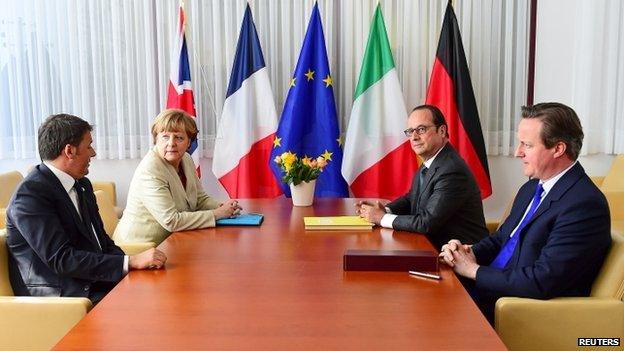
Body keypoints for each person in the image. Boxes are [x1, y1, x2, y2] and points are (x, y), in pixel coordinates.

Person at [439, 102, 611, 322]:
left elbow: (542, 280)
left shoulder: (584, 205)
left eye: (527, 145)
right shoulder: (532, 187)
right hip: (487, 289)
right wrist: (468, 253)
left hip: (517, 310)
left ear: (558, 149)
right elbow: (503, 239)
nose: (517, 152)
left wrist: (473, 270)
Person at [6, 114, 167, 304]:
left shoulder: (82, 184)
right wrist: (129, 262)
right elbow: (61, 259)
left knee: (160, 289)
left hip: (90, 280)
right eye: (89, 145)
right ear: (69, 151)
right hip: (62, 295)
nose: (93, 153)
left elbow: (102, 243)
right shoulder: (30, 195)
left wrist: (131, 264)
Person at [356, 105, 488, 250]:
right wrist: (385, 210)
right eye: (410, 131)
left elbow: (426, 223)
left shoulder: (452, 170)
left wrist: (381, 218)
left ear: (442, 131)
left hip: (460, 256)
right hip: (432, 247)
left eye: (421, 129)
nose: (414, 137)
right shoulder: (432, 162)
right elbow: (411, 198)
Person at [113, 109, 242, 245]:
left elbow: (199, 199)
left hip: (172, 241)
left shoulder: (186, 159)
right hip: (140, 247)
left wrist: (223, 206)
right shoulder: (150, 170)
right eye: (165, 137)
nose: (171, 143)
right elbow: (171, 221)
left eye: (179, 137)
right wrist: (217, 214)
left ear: (189, 143)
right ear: (156, 139)